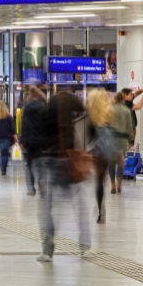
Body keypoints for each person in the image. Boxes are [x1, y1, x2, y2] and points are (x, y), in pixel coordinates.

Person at [36, 90, 87, 262]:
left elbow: (40, 134)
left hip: (49, 159)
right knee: (79, 204)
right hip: (68, 158)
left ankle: (47, 249)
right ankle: (85, 244)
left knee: (46, 206)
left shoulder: (48, 108)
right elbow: (83, 109)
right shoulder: (71, 105)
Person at [87, 90, 115, 223]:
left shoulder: (91, 118)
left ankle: (100, 208)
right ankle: (100, 207)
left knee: (98, 182)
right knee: (101, 180)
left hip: (96, 153)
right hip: (107, 152)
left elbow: (88, 138)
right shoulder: (109, 115)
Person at [20, 88, 46, 196]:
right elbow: (46, 125)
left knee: (29, 165)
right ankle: (42, 181)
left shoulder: (27, 108)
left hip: (29, 140)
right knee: (40, 163)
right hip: (40, 139)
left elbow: (25, 125)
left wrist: (22, 140)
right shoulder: (43, 108)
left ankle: (31, 189)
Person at [108, 92, 133, 194]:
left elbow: (106, 124)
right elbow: (129, 127)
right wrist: (131, 139)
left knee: (111, 162)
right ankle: (119, 184)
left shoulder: (110, 110)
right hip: (122, 139)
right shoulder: (127, 111)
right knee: (120, 162)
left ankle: (112, 185)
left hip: (111, 139)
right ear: (123, 99)